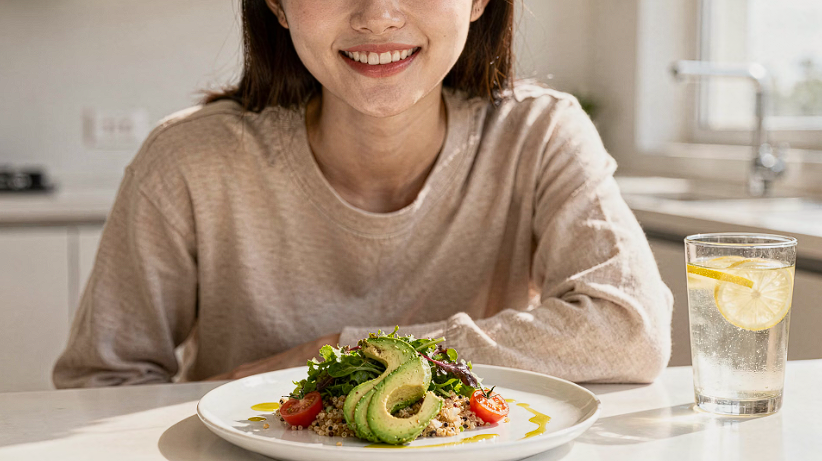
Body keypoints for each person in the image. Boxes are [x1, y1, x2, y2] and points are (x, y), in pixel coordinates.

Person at [53, 0, 672, 388]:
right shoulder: (188, 160)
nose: (378, 14)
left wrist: (342, 356)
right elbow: (101, 383)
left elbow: (629, 328)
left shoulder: (540, 134)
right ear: (276, 4)